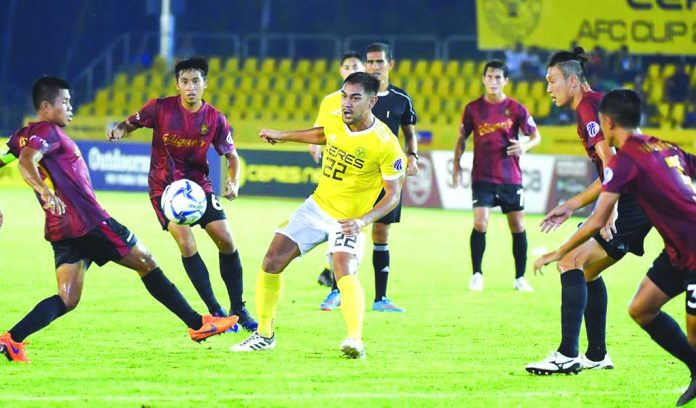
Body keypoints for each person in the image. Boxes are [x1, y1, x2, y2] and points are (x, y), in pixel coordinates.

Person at [0, 77, 238, 362]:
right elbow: (28, 160)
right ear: (45, 106)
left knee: (67, 298)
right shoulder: (46, 131)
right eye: (64, 102)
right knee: (147, 262)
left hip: (61, 229)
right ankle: (198, 324)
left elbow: (11, 157)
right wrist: (44, 190)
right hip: (89, 222)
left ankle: (12, 339)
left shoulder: (21, 134)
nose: (70, 107)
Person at [534, 89, 696, 407]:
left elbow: (597, 221)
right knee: (641, 308)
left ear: (607, 122)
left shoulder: (626, 159)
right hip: (677, 252)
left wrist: (557, 252)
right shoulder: (664, 145)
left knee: (694, 335)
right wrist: (571, 205)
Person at [230, 72, 406, 358]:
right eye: (344, 95)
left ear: (372, 101)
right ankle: (264, 334)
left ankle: (354, 340)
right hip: (316, 207)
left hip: (348, 220)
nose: (346, 103)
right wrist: (284, 136)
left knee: (343, 270)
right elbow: (325, 134)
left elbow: (393, 195)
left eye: (355, 98)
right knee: (272, 261)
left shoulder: (386, 144)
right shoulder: (338, 118)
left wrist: (362, 220)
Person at [525, 48, 652, 375]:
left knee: (569, 261)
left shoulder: (586, 106)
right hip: (636, 197)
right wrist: (571, 205)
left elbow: (612, 164)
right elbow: (611, 168)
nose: (548, 89)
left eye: (552, 81)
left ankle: (568, 354)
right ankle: (596, 355)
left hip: (632, 201)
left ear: (572, 80)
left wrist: (608, 211)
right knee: (589, 271)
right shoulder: (594, 102)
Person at [107, 57, 257, 332]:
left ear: (205, 85)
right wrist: (119, 130)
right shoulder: (160, 108)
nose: (190, 87)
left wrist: (233, 183)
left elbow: (232, 157)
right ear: (177, 85)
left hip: (199, 187)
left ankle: (239, 308)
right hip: (165, 190)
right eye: (185, 82)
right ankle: (215, 311)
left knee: (226, 240)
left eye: (196, 82)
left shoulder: (214, 118)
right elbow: (129, 123)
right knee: (186, 244)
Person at [318, 42, 418, 313]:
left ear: (390, 64)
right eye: (370, 62)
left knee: (381, 233)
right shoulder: (357, 96)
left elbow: (409, 133)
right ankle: (336, 291)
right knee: (346, 229)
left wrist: (413, 156)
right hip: (357, 178)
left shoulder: (401, 99)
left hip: (386, 176)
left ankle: (380, 298)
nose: (374, 66)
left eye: (379, 62)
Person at [452, 60, 541, 292]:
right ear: (483, 79)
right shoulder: (473, 109)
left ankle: (520, 278)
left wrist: (524, 147)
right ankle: (477, 274)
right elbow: (462, 138)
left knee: (518, 226)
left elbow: (535, 137)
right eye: (489, 77)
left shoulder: (516, 108)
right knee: (480, 222)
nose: (493, 81)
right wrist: (456, 164)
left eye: (498, 77)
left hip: (510, 177)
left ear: (506, 81)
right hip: (482, 176)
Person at [310, 51, 366, 288]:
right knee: (338, 222)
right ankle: (338, 274)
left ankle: (334, 271)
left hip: (362, 172)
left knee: (352, 224)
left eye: (356, 65)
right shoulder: (330, 100)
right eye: (347, 66)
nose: (351, 68)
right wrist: (313, 144)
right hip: (335, 172)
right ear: (341, 71)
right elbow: (319, 128)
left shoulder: (369, 98)